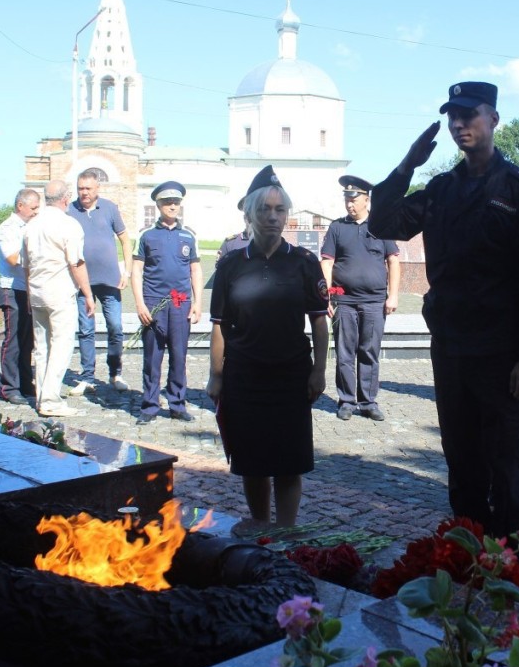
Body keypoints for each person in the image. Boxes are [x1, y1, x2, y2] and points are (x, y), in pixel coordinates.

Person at [367, 81, 519, 543]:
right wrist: (408, 164)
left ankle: (510, 558)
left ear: (493, 119)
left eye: (469, 115)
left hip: (503, 352)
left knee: (507, 458)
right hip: (453, 346)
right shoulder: (440, 188)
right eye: (453, 117)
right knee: (461, 456)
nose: (458, 124)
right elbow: (382, 222)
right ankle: (468, 549)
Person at [206, 165, 329, 530]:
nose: (273, 217)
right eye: (265, 209)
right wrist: (216, 376)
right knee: (253, 458)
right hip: (244, 375)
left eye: (280, 210)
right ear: (249, 214)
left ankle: (287, 529)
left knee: (289, 459)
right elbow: (219, 327)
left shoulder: (305, 263)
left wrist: (319, 370)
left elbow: (320, 321)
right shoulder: (230, 265)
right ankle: (260, 522)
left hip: (291, 374)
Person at [320, 174, 400, 421]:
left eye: (354, 199)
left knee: (369, 352)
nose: (349, 204)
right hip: (344, 301)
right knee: (345, 353)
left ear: (367, 199)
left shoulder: (381, 226)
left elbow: (393, 261)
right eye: (346, 199)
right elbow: (327, 262)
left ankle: (368, 401)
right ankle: (346, 400)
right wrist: (329, 296)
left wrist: (393, 295)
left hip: (375, 302)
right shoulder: (337, 228)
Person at [131, 181, 203, 425]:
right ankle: (150, 406)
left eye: (176, 202)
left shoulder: (189, 235)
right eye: (166, 202)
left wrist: (197, 303)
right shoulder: (146, 235)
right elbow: (136, 270)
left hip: (180, 303)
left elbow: (195, 270)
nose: (172, 206)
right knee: (152, 356)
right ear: (158, 204)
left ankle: (177, 404)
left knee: (179, 355)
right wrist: (140, 304)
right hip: (154, 302)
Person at [22, 180, 95, 418]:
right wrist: (88, 294)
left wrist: (29, 292)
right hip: (60, 291)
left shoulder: (32, 224)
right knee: (61, 347)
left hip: (37, 291)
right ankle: (51, 400)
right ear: (66, 199)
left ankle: (43, 396)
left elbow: (26, 265)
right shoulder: (68, 224)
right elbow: (76, 262)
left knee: (42, 347)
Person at [68, 168, 134, 394]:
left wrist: (127, 271)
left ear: (97, 188)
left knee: (115, 326)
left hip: (110, 280)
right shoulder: (70, 211)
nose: (83, 193)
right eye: (80, 188)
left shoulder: (109, 208)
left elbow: (125, 240)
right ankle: (87, 377)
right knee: (86, 329)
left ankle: (115, 373)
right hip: (81, 282)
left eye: (88, 188)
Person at [0, 188, 41, 405]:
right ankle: (9, 387)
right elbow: (12, 258)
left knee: (26, 340)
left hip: (27, 289)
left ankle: (24, 381)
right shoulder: (8, 228)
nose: (36, 212)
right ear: (20, 206)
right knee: (12, 341)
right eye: (33, 208)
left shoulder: (30, 226)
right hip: (11, 289)